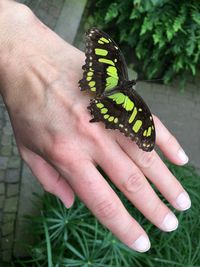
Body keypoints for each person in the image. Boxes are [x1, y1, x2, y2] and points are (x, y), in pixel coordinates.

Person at [0, 0, 191, 253]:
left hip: (105, 91)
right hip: (111, 101)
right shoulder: (136, 105)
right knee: (111, 108)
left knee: (109, 106)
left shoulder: (121, 78)